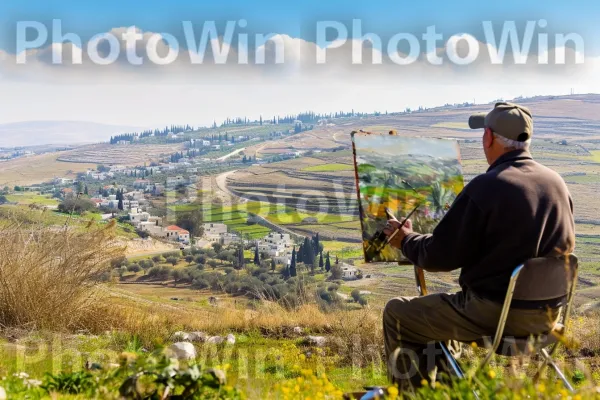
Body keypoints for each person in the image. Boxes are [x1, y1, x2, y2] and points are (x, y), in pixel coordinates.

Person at [382, 102, 575, 387]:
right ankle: (447, 389)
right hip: (546, 320)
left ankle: (414, 395)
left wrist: (406, 240)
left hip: (495, 316)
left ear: (489, 138)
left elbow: (439, 257)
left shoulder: (488, 186)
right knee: (438, 310)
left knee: (398, 313)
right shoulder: (556, 183)